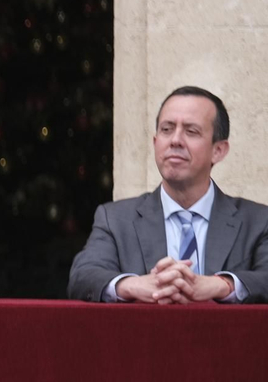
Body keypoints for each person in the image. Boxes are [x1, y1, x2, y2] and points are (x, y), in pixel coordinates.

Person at [68, 86, 268, 304]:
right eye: (166, 129)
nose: (175, 140)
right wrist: (132, 285)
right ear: (155, 143)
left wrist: (222, 285)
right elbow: (82, 276)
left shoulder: (258, 221)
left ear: (218, 150)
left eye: (191, 131)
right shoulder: (115, 218)